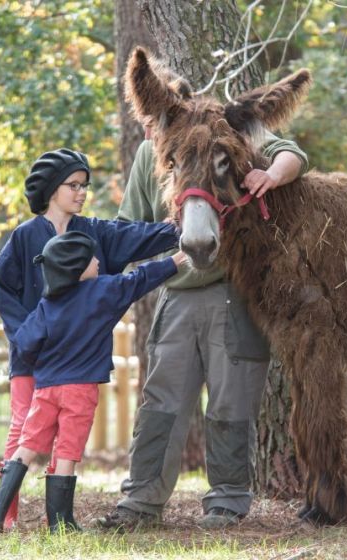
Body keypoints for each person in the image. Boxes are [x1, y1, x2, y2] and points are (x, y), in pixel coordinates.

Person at [94, 124, 308, 531]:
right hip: (174, 295)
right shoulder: (146, 155)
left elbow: (291, 152)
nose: (154, 127)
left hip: (232, 293)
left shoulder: (226, 137)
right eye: (149, 121)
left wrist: (271, 175)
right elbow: (128, 226)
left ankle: (227, 502)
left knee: (231, 402)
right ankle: (141, 500)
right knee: (160, 403)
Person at [0, 148, 179, 530]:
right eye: (72, 186)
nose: (81, 193)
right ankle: (4, 518)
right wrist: (27, 334)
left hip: (74, 363)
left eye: (84, 186)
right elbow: (2, 286)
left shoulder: (95, 232)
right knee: (23, 427)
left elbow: (137, 236)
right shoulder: (24, 237)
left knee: (67, 439)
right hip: (31, 357)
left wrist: (185, 226)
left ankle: (56, 519)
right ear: (50, 190)